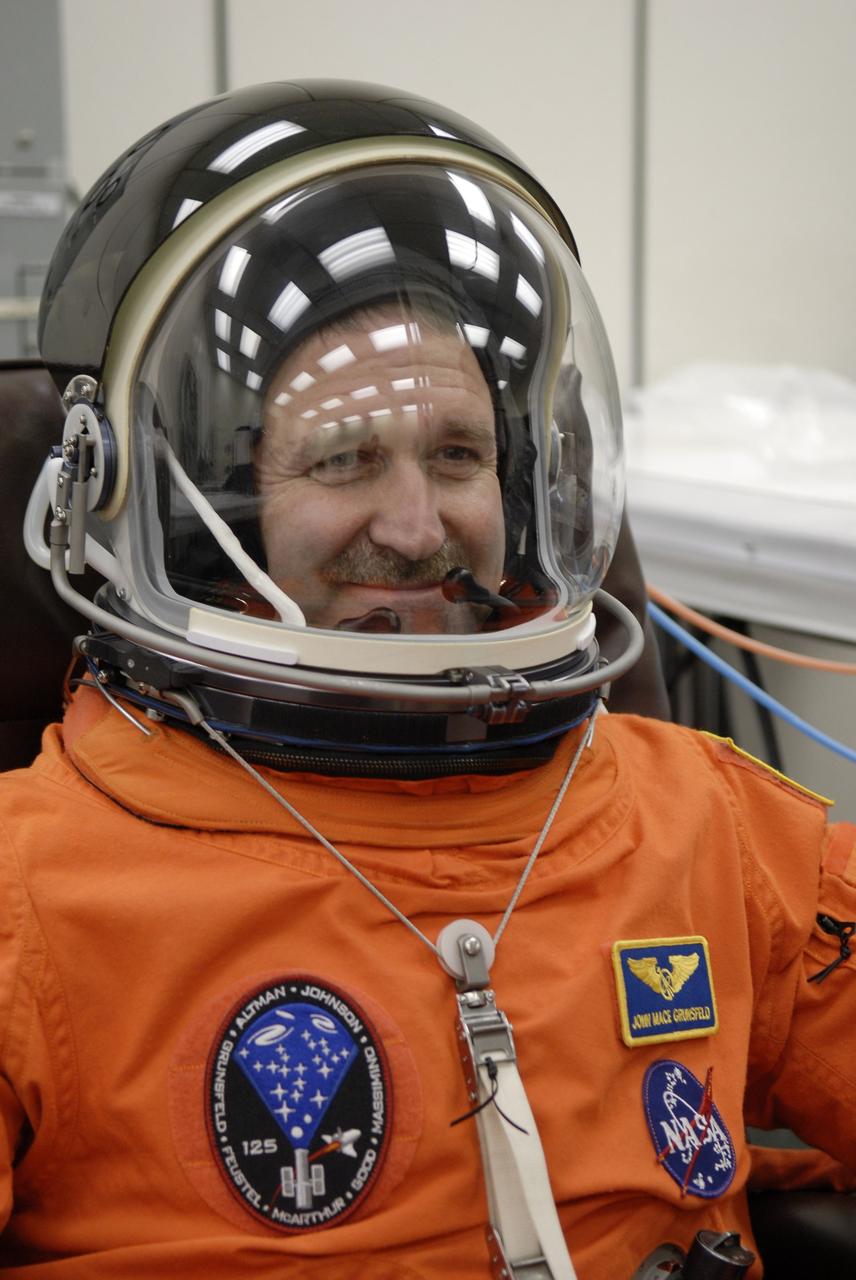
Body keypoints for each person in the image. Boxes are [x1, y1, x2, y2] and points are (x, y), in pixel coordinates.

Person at [1, 80, 853, 1280]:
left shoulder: (705, 821)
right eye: (344, 458)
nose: (414, 526)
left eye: (457, 454)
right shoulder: (31, 891)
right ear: (196, 510)